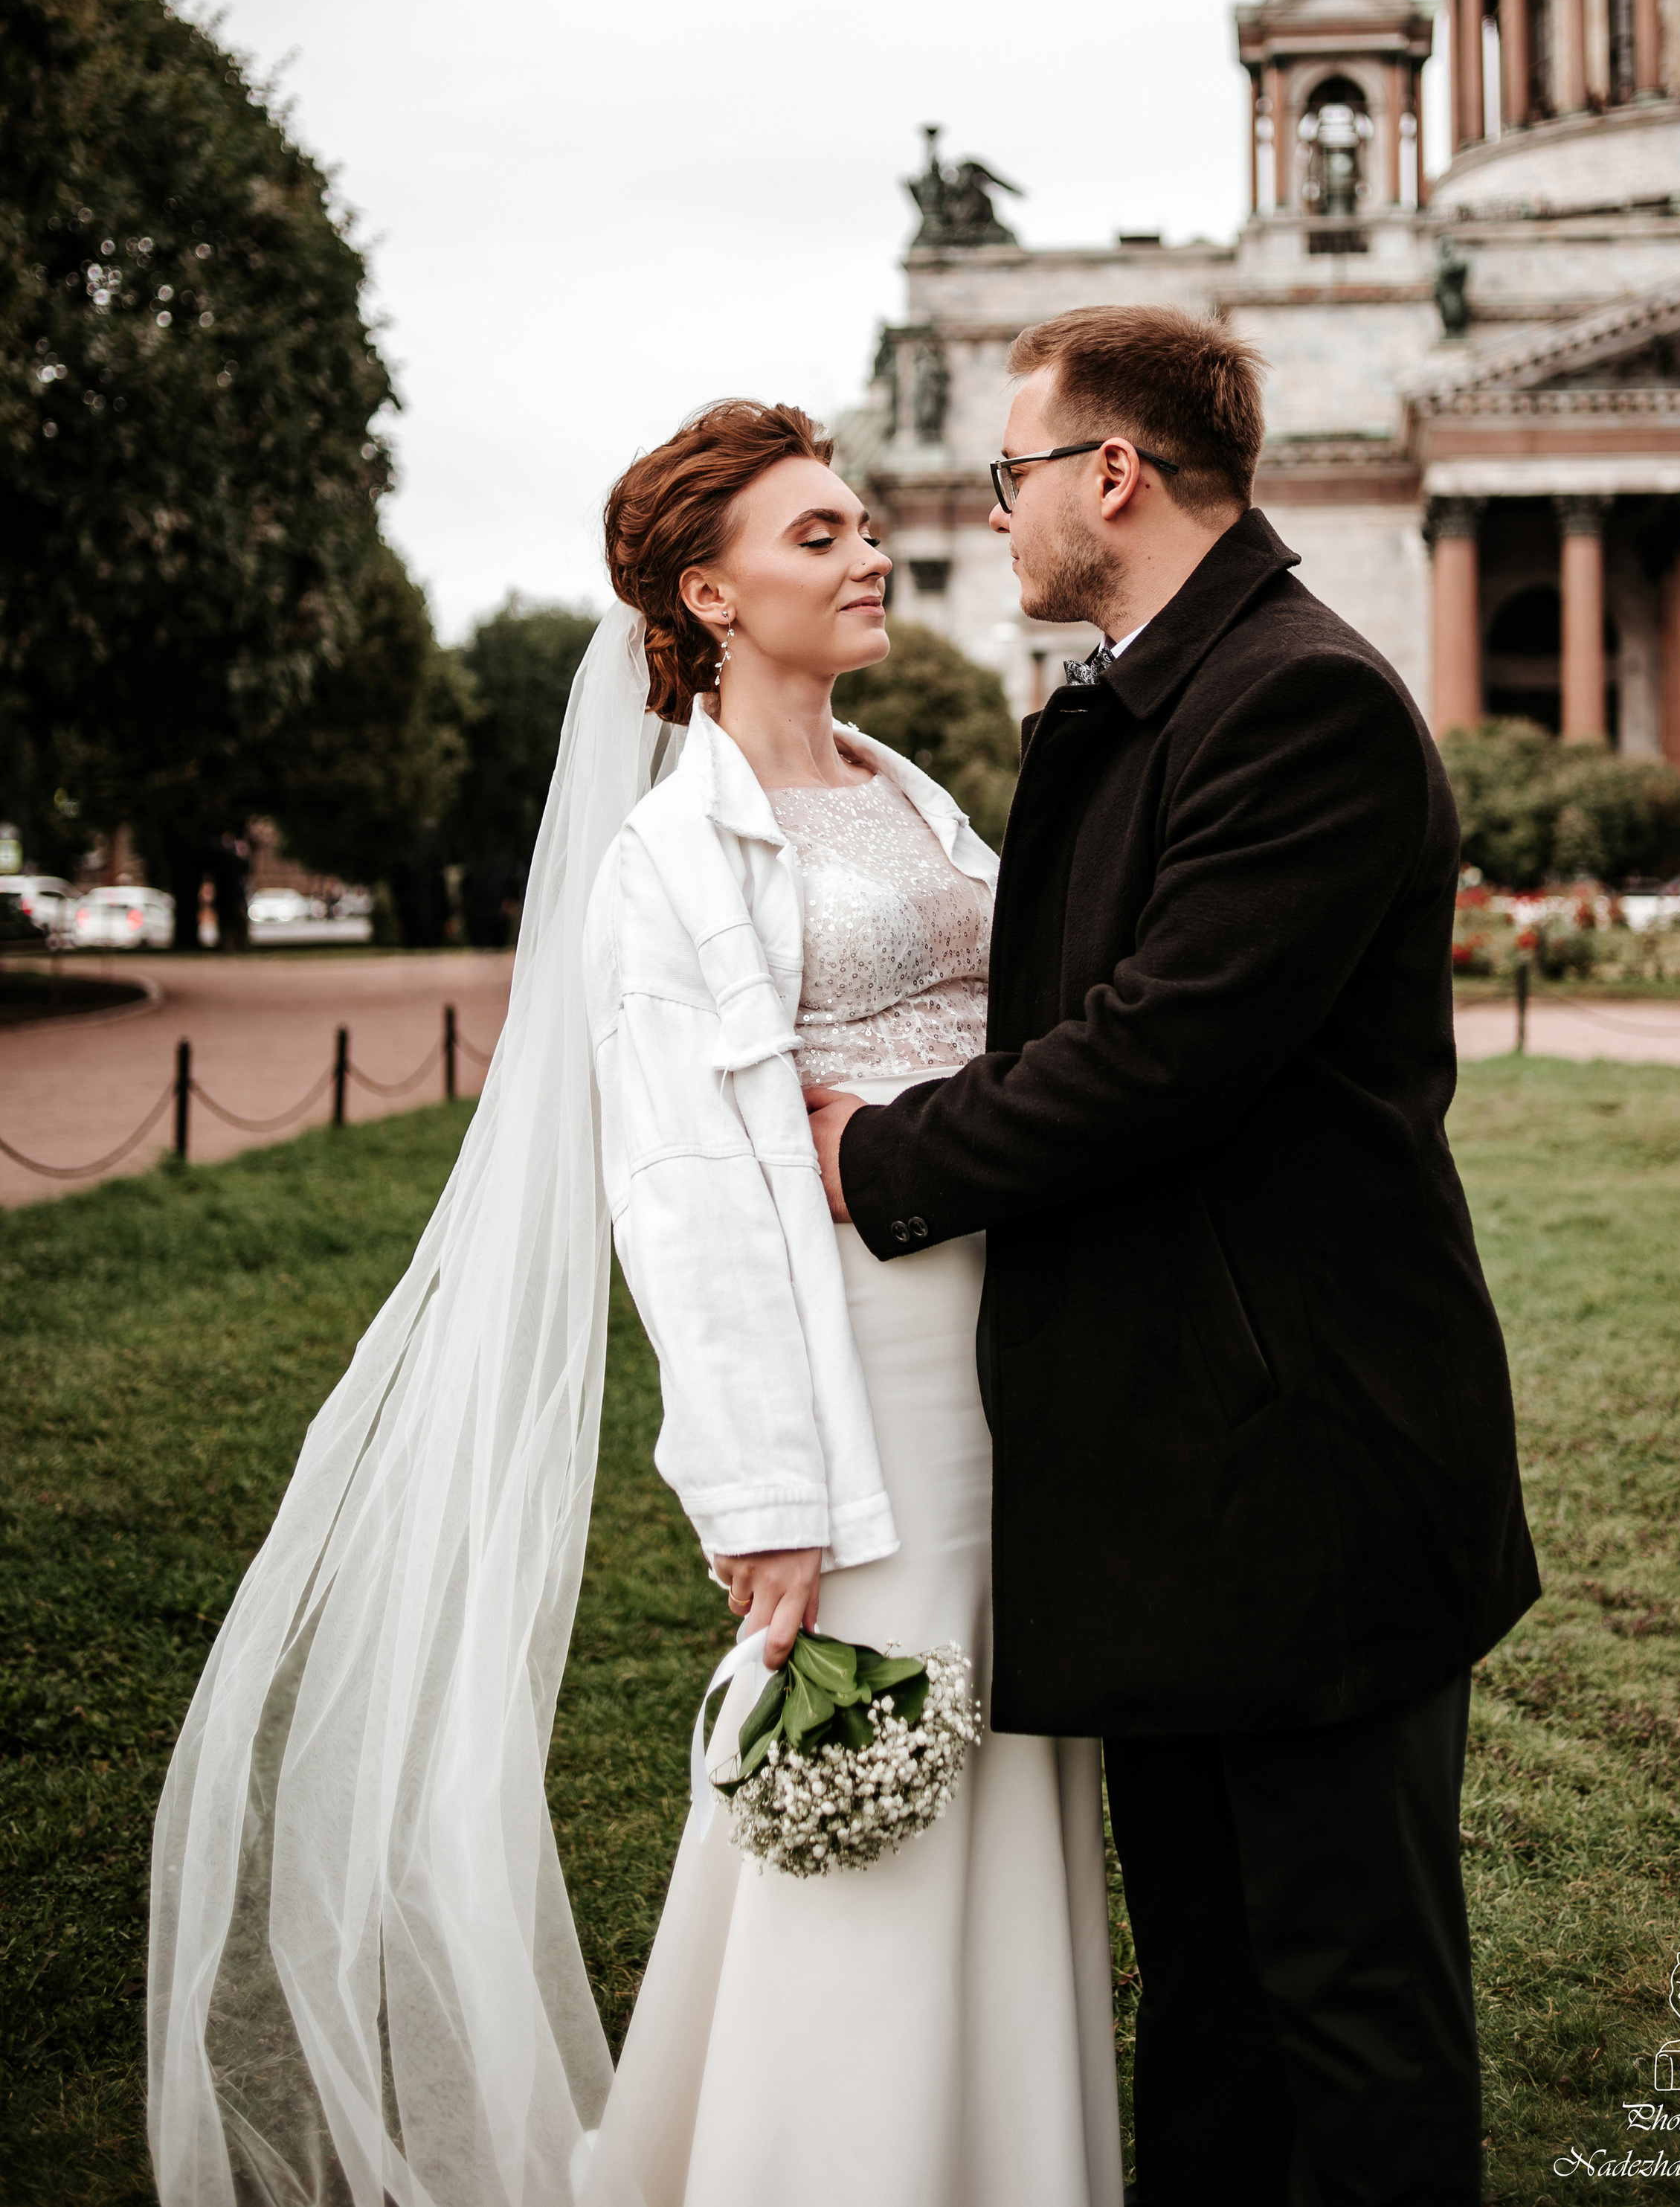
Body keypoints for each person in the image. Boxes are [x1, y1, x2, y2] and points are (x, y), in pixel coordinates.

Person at [147, 396, 1119, 2207]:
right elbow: (675, 1204)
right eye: (814, 534)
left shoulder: (907, 792)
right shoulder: (669, 860)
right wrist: (763, 1503)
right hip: (861, 1384)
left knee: (994, 1778)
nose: (866, 551)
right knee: (870, 1777)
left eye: (857, 523)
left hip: (1003, 1369)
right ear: (710, 593)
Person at [806, 307, 1542, 2207]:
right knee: (1207, 1997)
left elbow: (1154, 1053)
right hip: (1179, 1478)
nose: (1000, 513)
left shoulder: (1296, 697)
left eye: (1014, 476)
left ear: (1110, 476)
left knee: (1348, 2003)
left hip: (1308, 1469)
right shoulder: (1145, 694)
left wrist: (876, 1150)